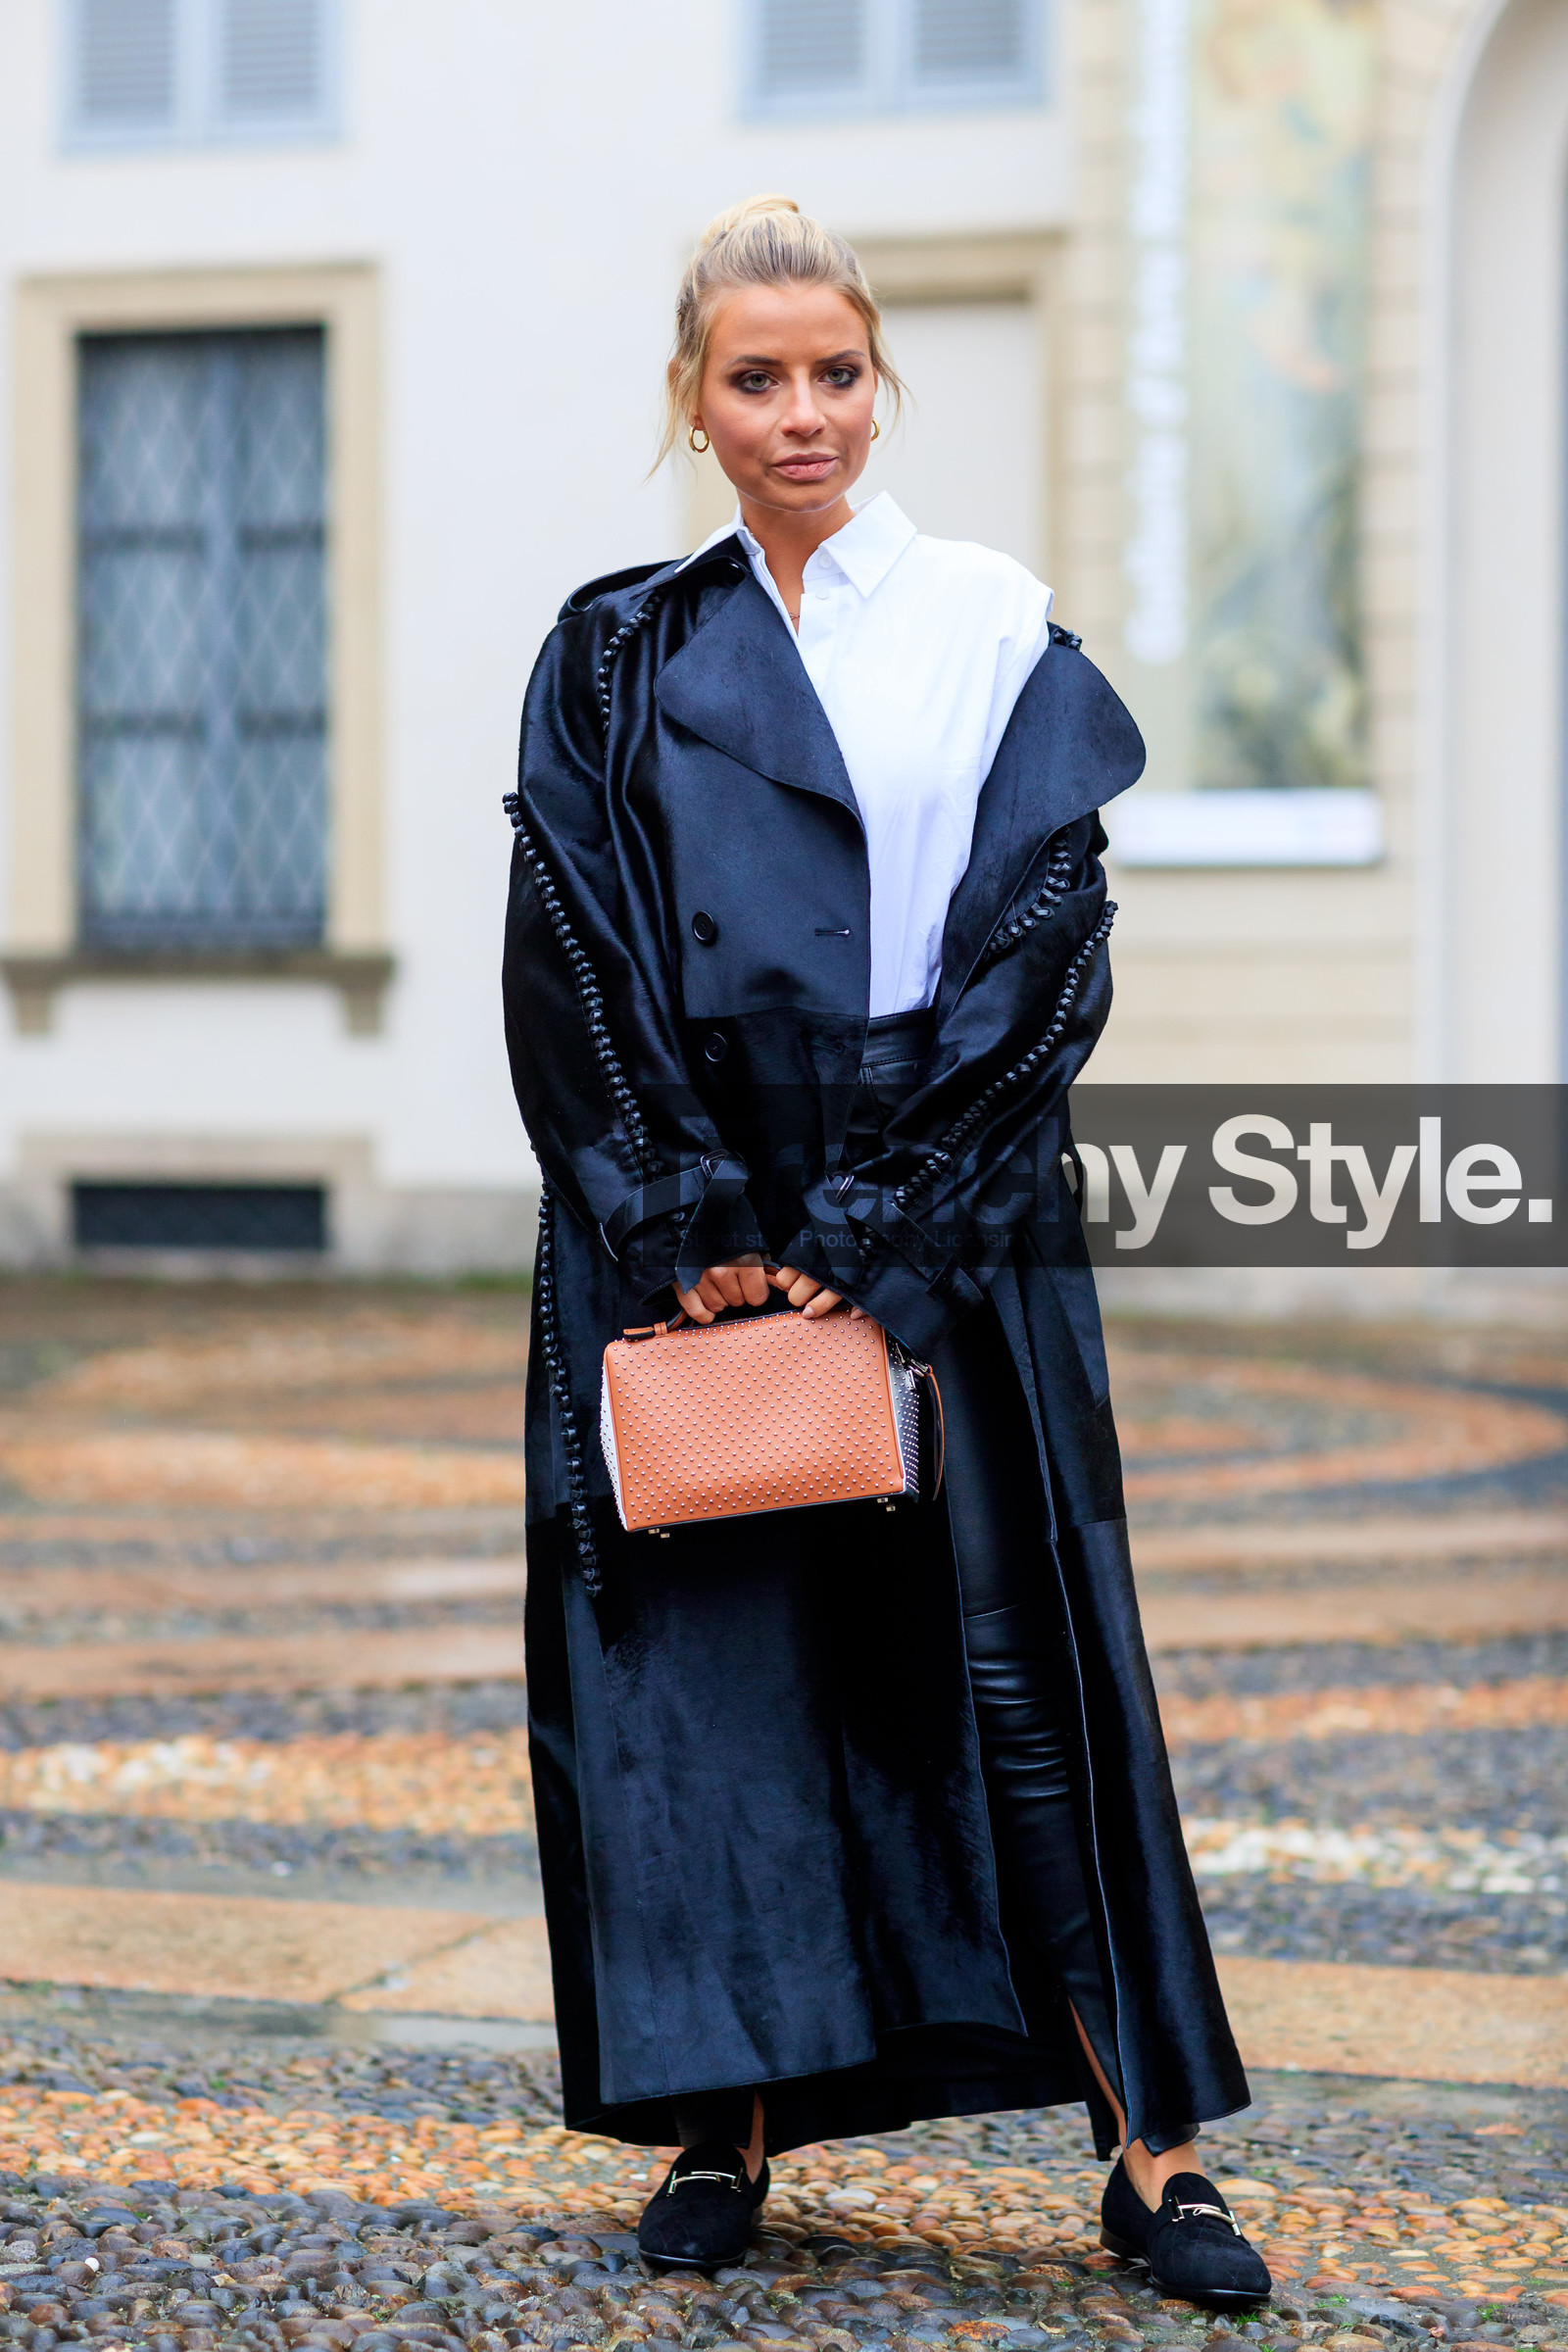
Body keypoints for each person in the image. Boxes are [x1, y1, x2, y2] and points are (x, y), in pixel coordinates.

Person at [502, 194, 1270, 2310]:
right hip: (682, 1229)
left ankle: (1153, 2159)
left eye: (832, 371)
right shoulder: (607, 653)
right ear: (694, 398)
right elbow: (567, 952)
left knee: (1030, 1677)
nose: (799, 411)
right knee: (713, 1683)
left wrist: (871, 1225)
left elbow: (1043, 951)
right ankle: (721, 2131)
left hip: (957, 1228)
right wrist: (688, 1228)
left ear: (877, 382)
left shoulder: (994, 627)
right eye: (754, 377)